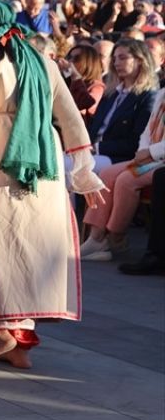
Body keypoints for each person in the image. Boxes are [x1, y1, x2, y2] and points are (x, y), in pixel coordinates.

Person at [0, 0, 106, 373]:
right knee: (29, 249)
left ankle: (1, 331)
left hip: (1, 159)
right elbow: (69, 116)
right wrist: (83, 169)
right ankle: (20, 345)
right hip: (43, 160)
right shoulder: (43, 62)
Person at [80, 89, 164, 262]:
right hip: (148, 156)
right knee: (106, 174)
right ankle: (96, 239)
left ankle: (116, 237)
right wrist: (143, 151)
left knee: (126, 180)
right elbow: (147, 131)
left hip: (160, 161)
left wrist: (151, 152)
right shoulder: (162, 94)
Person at [86, 39, 158, 171]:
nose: (116, 63)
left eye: (122, 58)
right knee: (61, 162)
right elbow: (94, 128)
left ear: (140, 60)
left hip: (120, 158)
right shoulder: (110, 94)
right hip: (94, 152)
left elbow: (136, 142)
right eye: (114, 59)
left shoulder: (148, 97)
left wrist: (98, 147)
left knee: (74, 167)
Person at [57, 44, 105, 120]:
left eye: (77, 58)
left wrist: (74, 75)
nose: (70, 61)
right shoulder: (67, 81)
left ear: (89, 63)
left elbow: (84, 104)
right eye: (69, 57)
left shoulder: (97, 87)